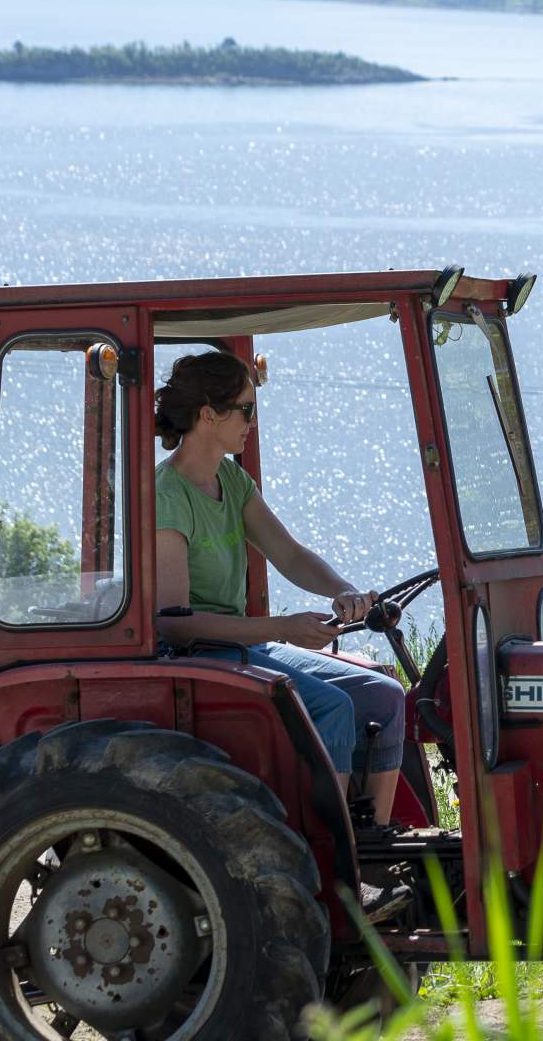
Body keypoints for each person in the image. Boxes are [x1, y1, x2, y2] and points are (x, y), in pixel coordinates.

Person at [151, 351, 405, 826]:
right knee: (333, 706)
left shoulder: (231, 478)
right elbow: (175, 625)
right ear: (209, 414)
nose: (253, 419)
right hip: (200, 654)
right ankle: (332, 858)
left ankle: (375, 841)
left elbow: (288, 554)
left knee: (383, 694)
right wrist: (282, 629)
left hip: (243, 646)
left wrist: (342, 590)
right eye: (246, 408)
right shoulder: (168, 496)